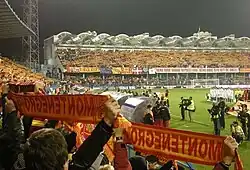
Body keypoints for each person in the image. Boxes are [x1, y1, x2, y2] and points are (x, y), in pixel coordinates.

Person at [0, 93, 120, 170]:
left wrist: (11, 114)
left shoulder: (16, 163)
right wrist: (107, 122)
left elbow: (12, 145)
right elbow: (82, 159)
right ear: (64, 164)